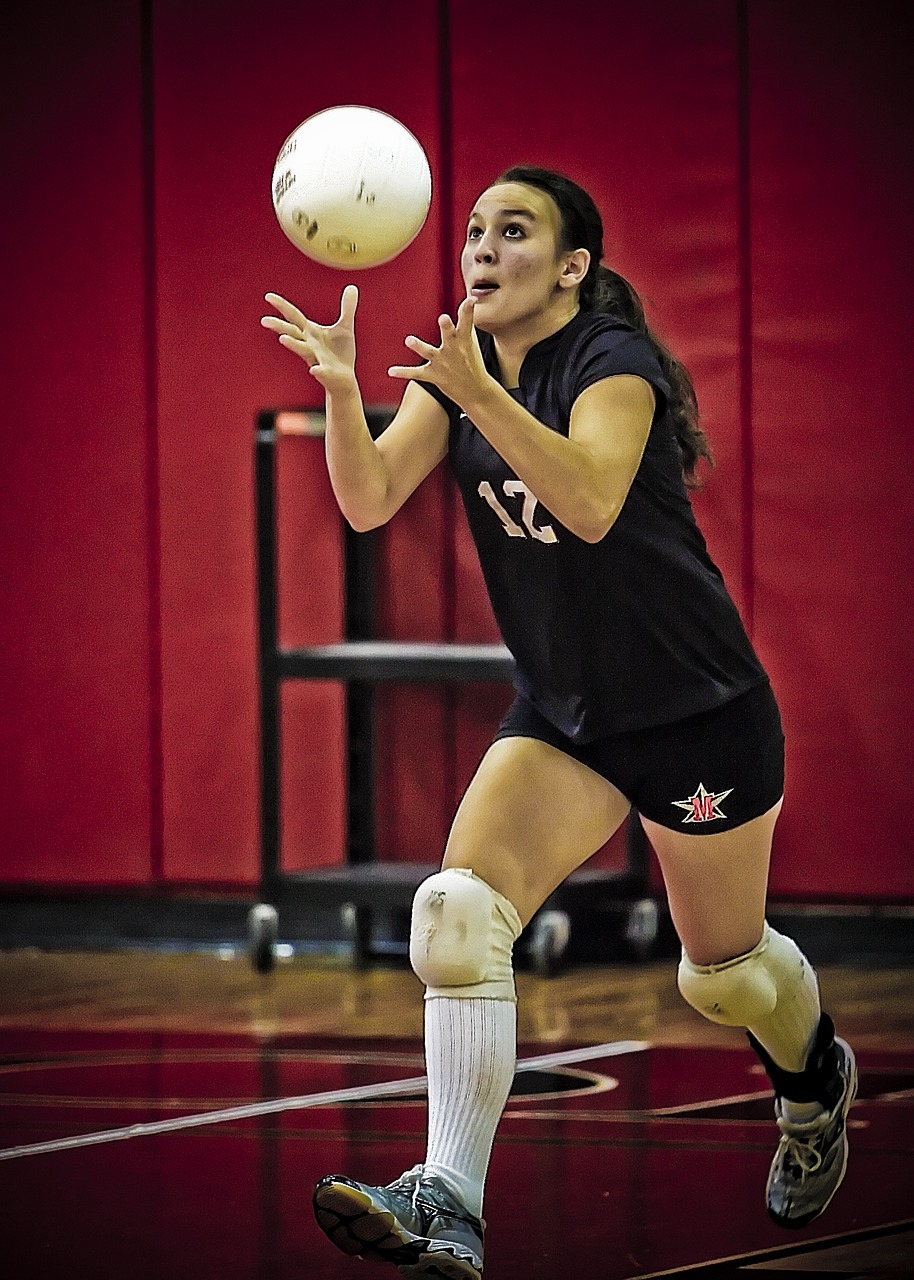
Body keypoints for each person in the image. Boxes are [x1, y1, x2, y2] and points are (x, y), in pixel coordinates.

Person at [261, 165, 857, 1279]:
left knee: (718, 975)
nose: (481, 249)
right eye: (474, 230)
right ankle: (448, 1196)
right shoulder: (458, 372)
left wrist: (478, 393)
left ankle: (813, 1077)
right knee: (451, 910)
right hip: (568, 712)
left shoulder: (609, 362)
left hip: (694, 710)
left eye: (513, 231)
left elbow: (586, 499)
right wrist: (346, 389)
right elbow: (366, 499)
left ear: (573, 267)